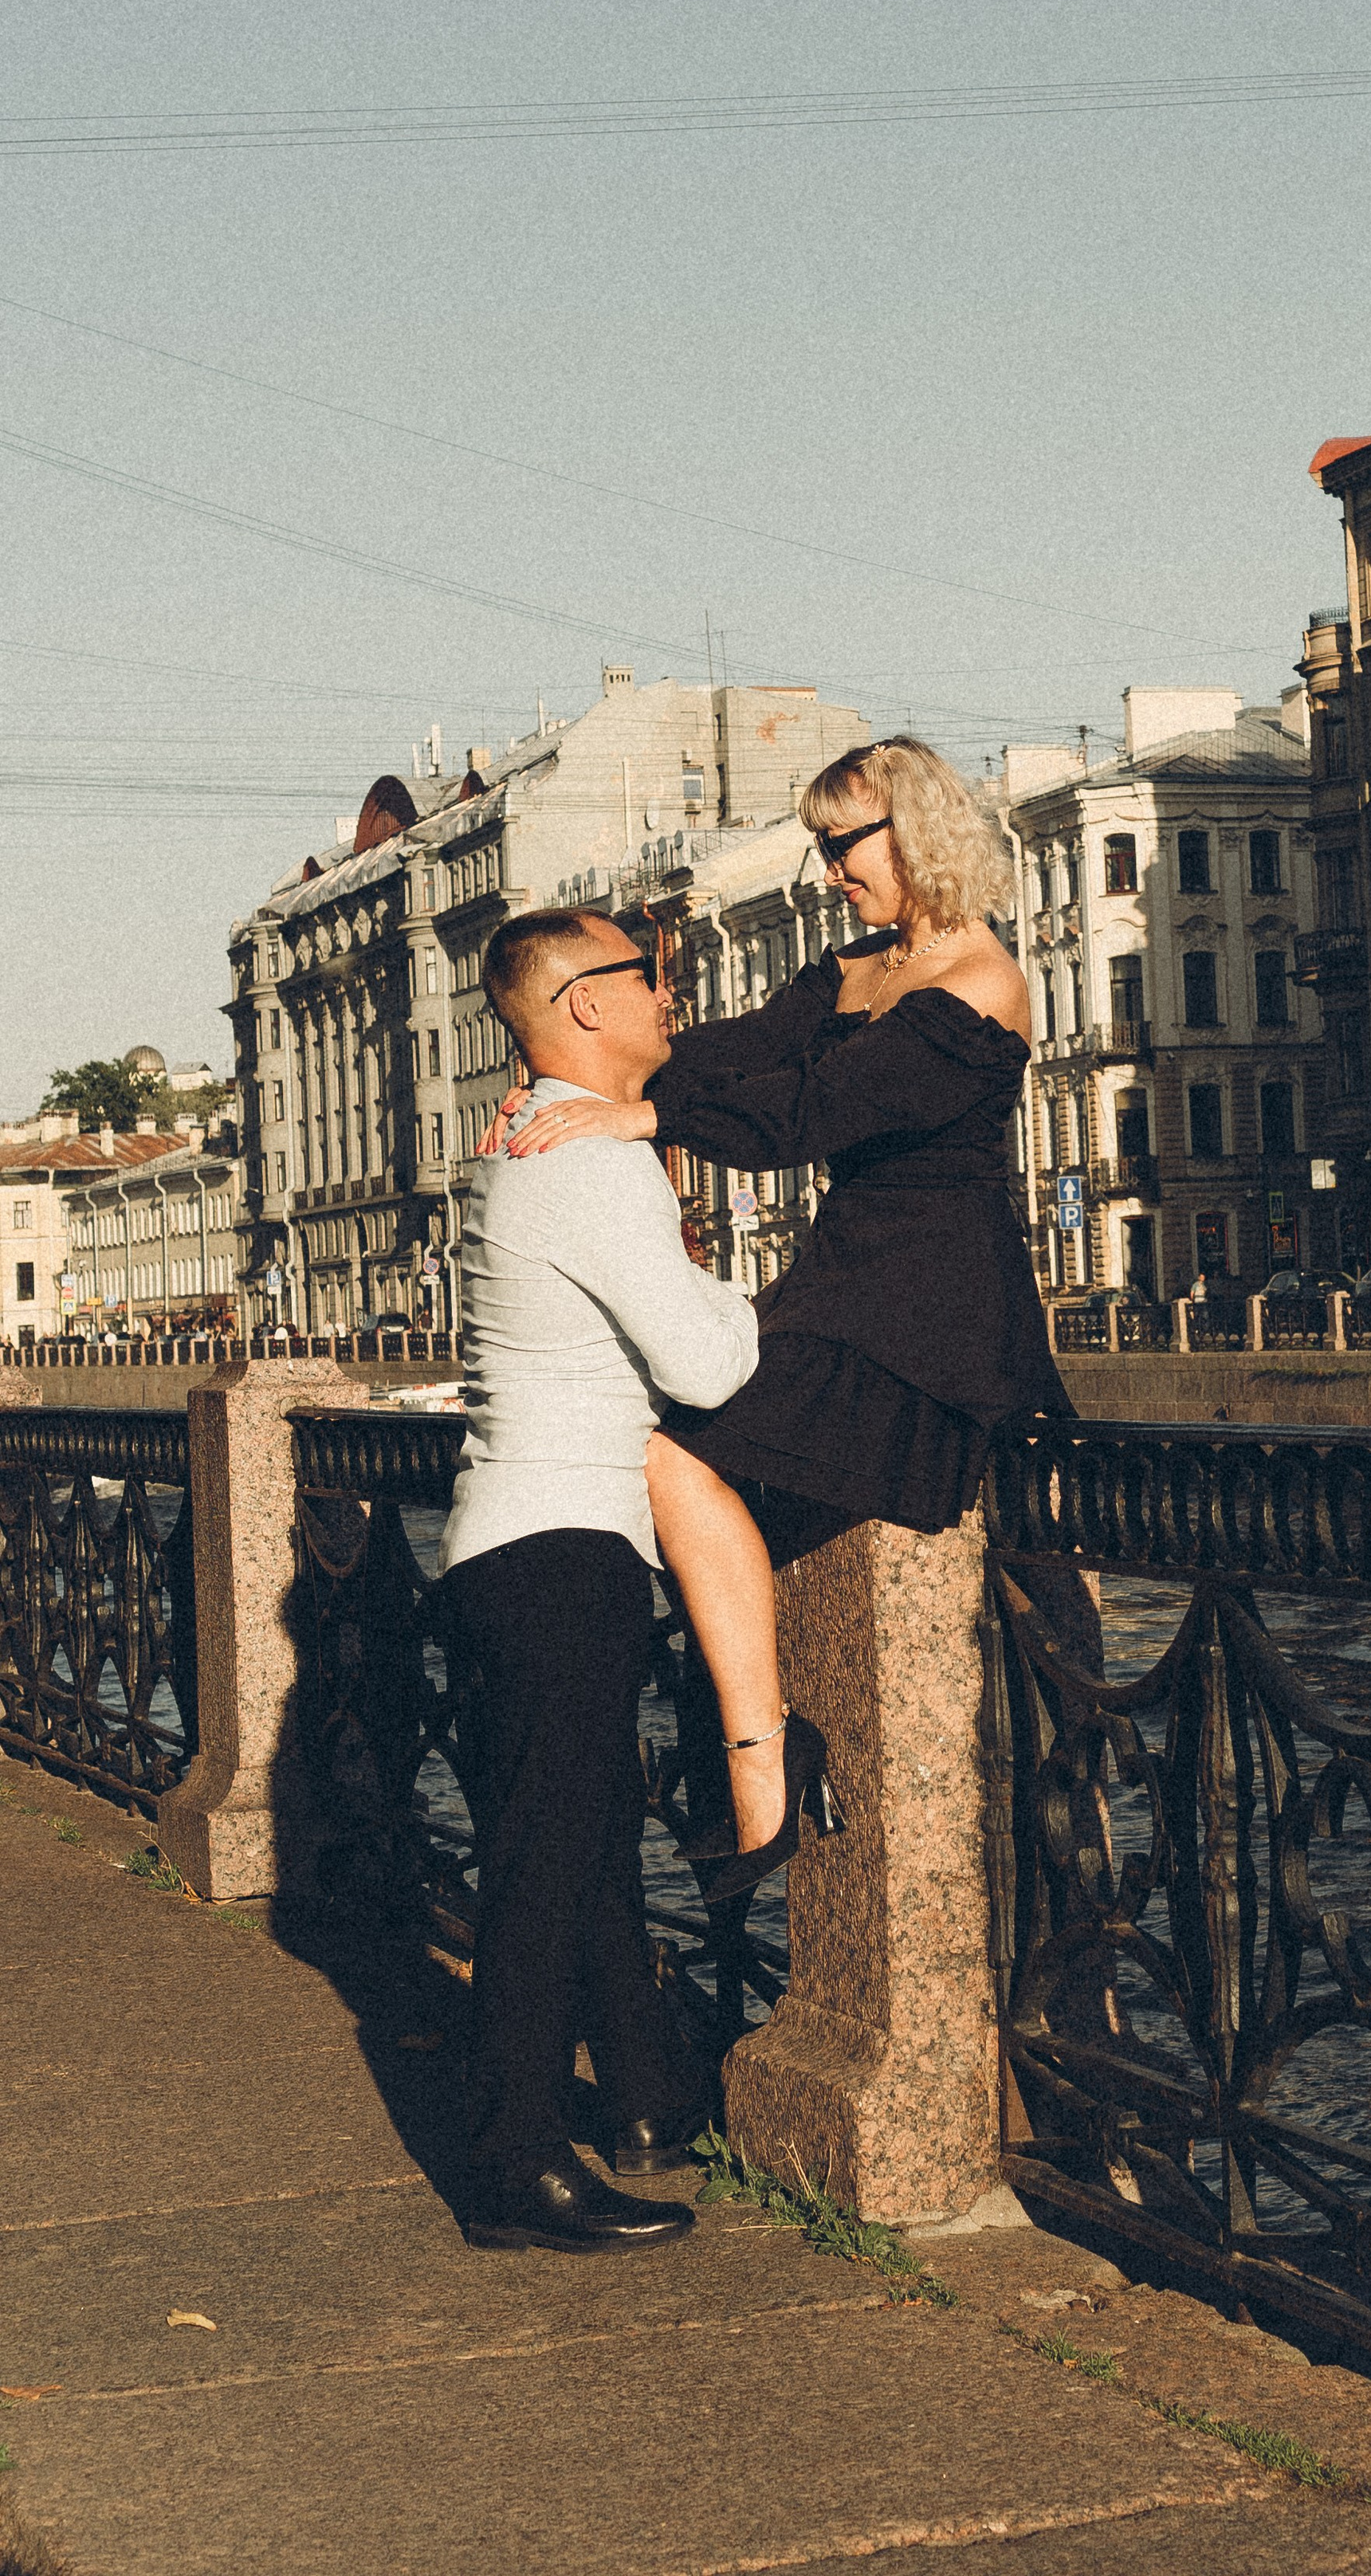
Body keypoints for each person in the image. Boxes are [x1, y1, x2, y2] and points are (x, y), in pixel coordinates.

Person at [497, 734, 1070, 1898]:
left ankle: (756, 1763)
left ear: (916, 832)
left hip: (933, 1321)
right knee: (669, 1452)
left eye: (841, 845)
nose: (828, 873)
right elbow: (728, 1059)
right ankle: (751, 1755)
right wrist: (581, 1085)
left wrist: (637, 1125)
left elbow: (811, 1111)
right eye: (820, 848)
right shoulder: (853, 970)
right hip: (840, 1290)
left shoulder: (981, 985)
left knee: (673, 1454)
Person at [442, 907, 760, 2255]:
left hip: (502, 1546)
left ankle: (644, 2097)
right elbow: (708, 1366)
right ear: (582, 1003)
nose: (669, 993)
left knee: (583, 1858)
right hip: (565, 1550)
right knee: (548, 1861)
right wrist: (751, 1295)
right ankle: (516, 2164)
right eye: (649, 976)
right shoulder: (582, 1163)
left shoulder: (532, 1146)